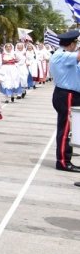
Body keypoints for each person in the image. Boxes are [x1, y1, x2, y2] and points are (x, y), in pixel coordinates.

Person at [49, 30, 80, 173]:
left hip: (71, 94)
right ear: (71, 44)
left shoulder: (65, 55)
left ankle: (67, 156)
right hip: (66, 95)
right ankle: (62, 161)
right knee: (66, 129)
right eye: (76, 44)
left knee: (72, 129)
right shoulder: (61, 55)